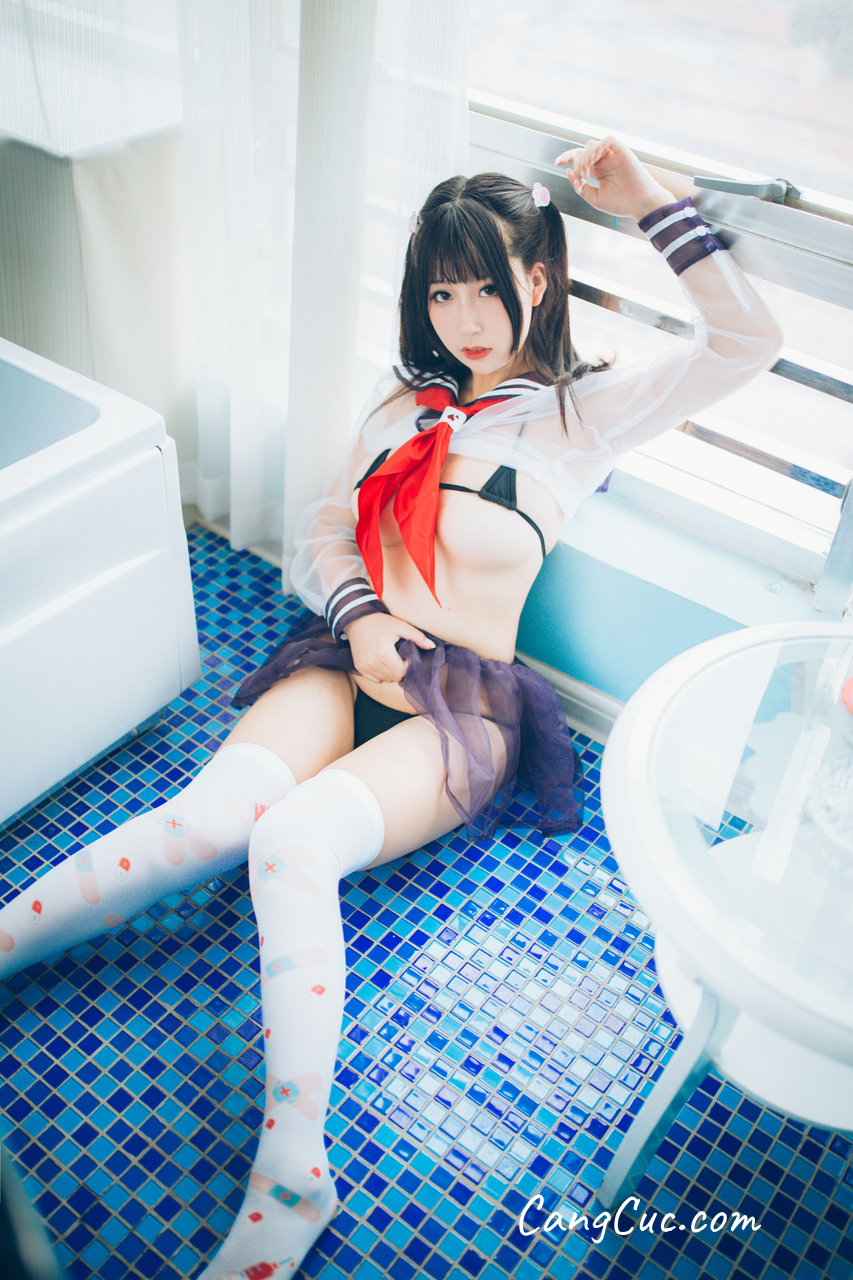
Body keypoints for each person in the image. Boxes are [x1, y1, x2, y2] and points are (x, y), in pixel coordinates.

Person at [0, 137, 782, 1279]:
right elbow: (327, 528)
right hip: (351, 653)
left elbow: (748, 343)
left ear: (540, 280)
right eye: (442, 291)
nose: (465, 318)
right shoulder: (400, 403)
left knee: (291, 843)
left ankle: (293, 1174)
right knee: (201, 823)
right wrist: (363, 616)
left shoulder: (579, 417)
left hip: (459, 705)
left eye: (488, 287)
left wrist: (651, 203)